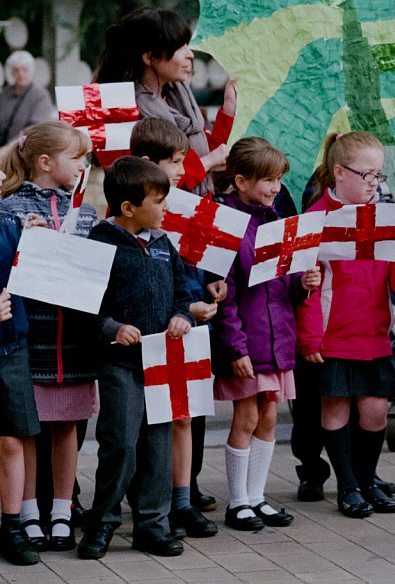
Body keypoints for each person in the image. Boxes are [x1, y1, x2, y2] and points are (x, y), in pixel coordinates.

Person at [77, 157, 194, 560]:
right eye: (159, 201)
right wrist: (111, 328)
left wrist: (182, 316)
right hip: (120, 366)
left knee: (157, 447)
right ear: (128, 208)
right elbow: (82, 304)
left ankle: (152, 525)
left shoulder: (164, 244)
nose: (165, 209)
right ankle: (101, 524)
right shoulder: (99, 242)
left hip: (162, 364)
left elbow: (182, 293)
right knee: (121, 444)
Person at [297, 132, 395, 518]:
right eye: (366, 174)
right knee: (335, 410)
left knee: (376, 411)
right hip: (332, 334)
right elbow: (305, 287)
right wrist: (310, 337)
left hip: (373, 331)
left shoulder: (382, 215)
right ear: (338, 173)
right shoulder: (314, 219)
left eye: (378, 176)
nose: (373, 183)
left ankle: (367, 480)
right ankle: (348, 487)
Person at [212, 138, 320, 532]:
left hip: (278, 340)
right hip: (248, 343)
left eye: (278, 180)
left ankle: (257, 497)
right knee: (246, 417)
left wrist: (304, 283)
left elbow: (286, 287)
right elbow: (225, 296)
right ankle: (238, 501)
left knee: (270, 416)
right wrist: (235, 347)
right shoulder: (226, 224)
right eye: (268, 180)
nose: (276, 188)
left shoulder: (277, 221)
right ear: (240, 181)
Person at [0, 122, 96, 553]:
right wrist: (28, 241)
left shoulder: (86, 211)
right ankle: (27, 513)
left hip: (73, 335)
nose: (82, 166)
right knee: (29, 428)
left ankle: (62, 511)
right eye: (75, 157)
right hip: (31, 335)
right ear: (45, 162)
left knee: (67, 424)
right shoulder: (11, 209)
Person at [129, 117, 220, 537]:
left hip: (184, 326)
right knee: (148, 422)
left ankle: (182, 499)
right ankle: (150, 502)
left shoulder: (183, 206)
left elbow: (194, 262)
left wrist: (211, 288)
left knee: (183, 413)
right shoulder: (132, 216)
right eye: (177, 161)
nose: (184, 171)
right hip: (144, 334)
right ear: (148, 163)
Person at [93, 6, 234, 195]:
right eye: (179, 47)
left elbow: (213, 152)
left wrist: (229, 107)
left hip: (198, 208)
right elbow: (136, 187)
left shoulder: (180, 97)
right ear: (149, 57)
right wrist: (207, 163)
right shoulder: (118, 109)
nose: (190, 54)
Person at [0, 204, 41, 565]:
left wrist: (42, 241)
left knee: (12, 438)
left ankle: (11, 527)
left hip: (10, 346)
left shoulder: (10, 222)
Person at [0, 51, 54, 146]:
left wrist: (8, 149)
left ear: (31, 71)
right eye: (16, 70)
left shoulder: (40, 95)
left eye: (24, 70)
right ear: (11, 72)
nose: (20, 74)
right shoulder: (5, 93)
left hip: (24, 149)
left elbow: (35, 130)